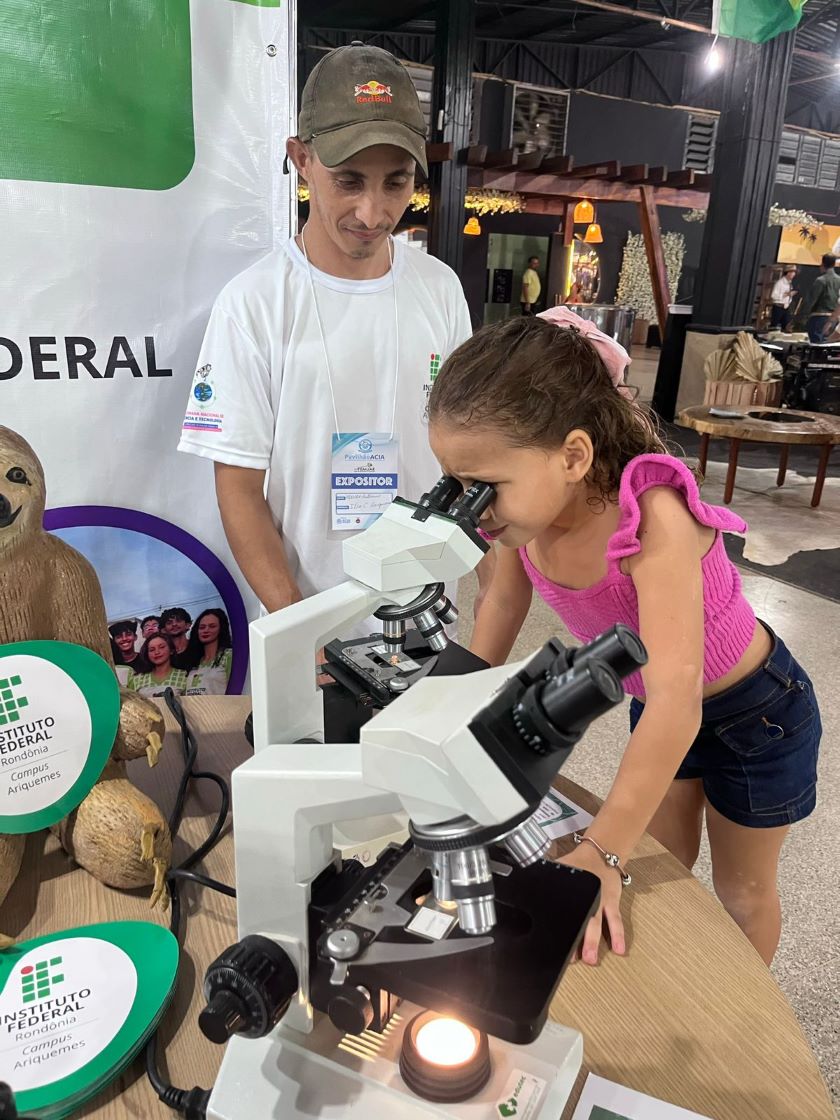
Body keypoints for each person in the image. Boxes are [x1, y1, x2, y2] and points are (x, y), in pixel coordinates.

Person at [426, 310, 821, 969]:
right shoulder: (527, 518)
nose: (474, 508)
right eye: (458, 486)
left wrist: (599, 849)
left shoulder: (651, 516)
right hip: (660, 701)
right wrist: (447, 714)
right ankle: (671, 976)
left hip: (756, 713)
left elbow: (679, 698)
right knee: (660, 863)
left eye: (486, 487)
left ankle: (740, 1011)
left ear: (574, 456)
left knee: (739, 890)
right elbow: (498, 603)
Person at [177, 43, 483, 633]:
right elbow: (237, 487)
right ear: (301, 159)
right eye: (348, 181)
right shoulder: (255, 302)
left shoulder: (439, 289)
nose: (372, 212)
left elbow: (473, 447)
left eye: (396, 183)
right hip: (303, 622)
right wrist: (300, 633)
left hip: (424, 618)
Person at [183, 608, 233, 696]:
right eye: (202, 627)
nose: (206, 630)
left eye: (212, 626)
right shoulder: (193, 660)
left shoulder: (229, 656)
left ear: (221, 629)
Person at [127, 633, 189, 697]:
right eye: (152, 650)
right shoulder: (137, 679)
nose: (157, 652)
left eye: (161, 647)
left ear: (171, 650)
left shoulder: (184, 676)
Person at [800, 253, 840, 343]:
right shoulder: (839, 280)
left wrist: (801, 317)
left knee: (816, 346)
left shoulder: (821, 281)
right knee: (828, 346)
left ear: (822, 264)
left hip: (818, 317)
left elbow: (811, 301)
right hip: (835, 318)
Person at [108, 619, 149, 686]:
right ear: (114, 641)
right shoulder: (112, 664)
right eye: (119, 637)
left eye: (128, 634)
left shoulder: (145, 659)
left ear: (135, 637)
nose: (124, 639)